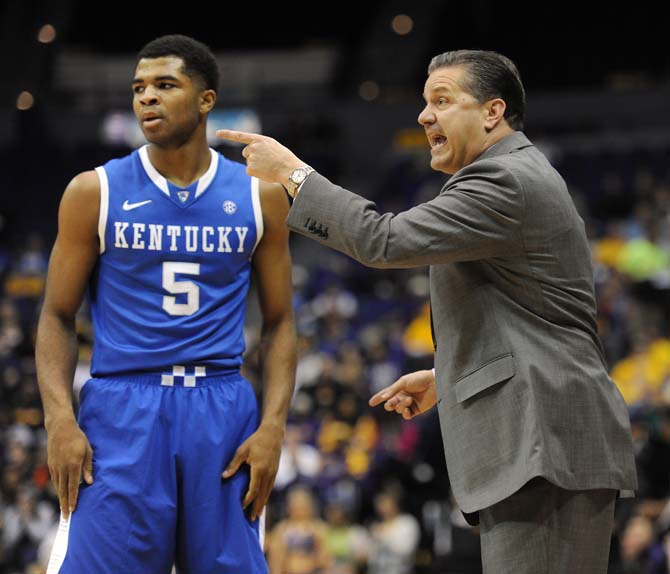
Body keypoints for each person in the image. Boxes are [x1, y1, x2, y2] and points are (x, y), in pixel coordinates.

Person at [217, 49, 638, 573]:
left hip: (544, 445)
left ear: (492, 112)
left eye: (442, 100)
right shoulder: (512, 176)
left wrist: (294, 175)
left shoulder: (503, 180)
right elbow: (536, 316)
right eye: (424, 102)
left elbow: (382, 240)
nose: (423, 115)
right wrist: (450, 374)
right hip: (546, 441)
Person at [35, 34, 296, 574]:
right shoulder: (93, 191)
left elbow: (281, 322)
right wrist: (59, 418)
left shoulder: (258, 194)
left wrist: (273, 426)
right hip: (122, 407)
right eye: (139, 88)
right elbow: (57, 315)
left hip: (221, 407)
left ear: (206, 99)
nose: (146, 97)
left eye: (165, 85)